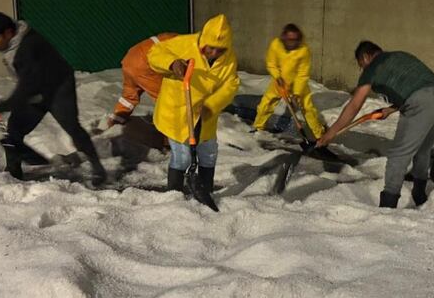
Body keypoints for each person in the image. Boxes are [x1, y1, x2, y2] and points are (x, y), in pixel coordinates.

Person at [0, 12, 107, 185]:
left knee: (72, 128)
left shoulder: (27, 49)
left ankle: (98, 168)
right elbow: (0, 45)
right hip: (34, 85)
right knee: (13, 131)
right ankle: (13, 172)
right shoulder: (13, 37)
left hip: (58, 88)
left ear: (9, 33)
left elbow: (27, 87)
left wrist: (3, 106)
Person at [317, 40, 434, 209]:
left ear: (366, 57)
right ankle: (419, 194)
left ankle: (387, 208)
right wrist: (391, 109)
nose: (362, 69)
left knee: (398, 155)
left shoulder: (372, 68)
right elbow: (417, 86)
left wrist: (331, 133)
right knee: (423, 149)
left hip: (422, 103)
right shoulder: (401, 56)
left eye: (361, 65)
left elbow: (354, 105)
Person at [146, 14, 240, 194]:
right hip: (178, 111)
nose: (214, 53)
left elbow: (231, 84)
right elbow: (154, 53)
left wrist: (213, 105)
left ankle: (205, 192)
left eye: (219, 50)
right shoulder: (184, 44)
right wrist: (172, 63)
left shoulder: (229, 58)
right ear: (203, 41)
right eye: (210, 48)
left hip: (205, 113)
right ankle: (174, 194)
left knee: (209, 153)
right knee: (182, 158)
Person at [252, 23, 325, 138]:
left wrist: (296, 93)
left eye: (295, 40)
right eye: (289, 39)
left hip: (298, 84)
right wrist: (277, 77)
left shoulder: (303, 50)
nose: (292, 42)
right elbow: (271, 63)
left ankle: (319, 135)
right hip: (280, 82)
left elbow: (302, 73)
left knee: (308, 109)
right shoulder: (276, 45)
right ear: (284, 38)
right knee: (265, 104)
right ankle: (258, 127)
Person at [106, 32, 177, 128]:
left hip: (130, 59)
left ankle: (117, 118)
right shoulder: (189, 45)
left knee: (129, 96)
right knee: (166, 98)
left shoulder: (174, 37)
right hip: (145, 63)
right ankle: (169, 134)